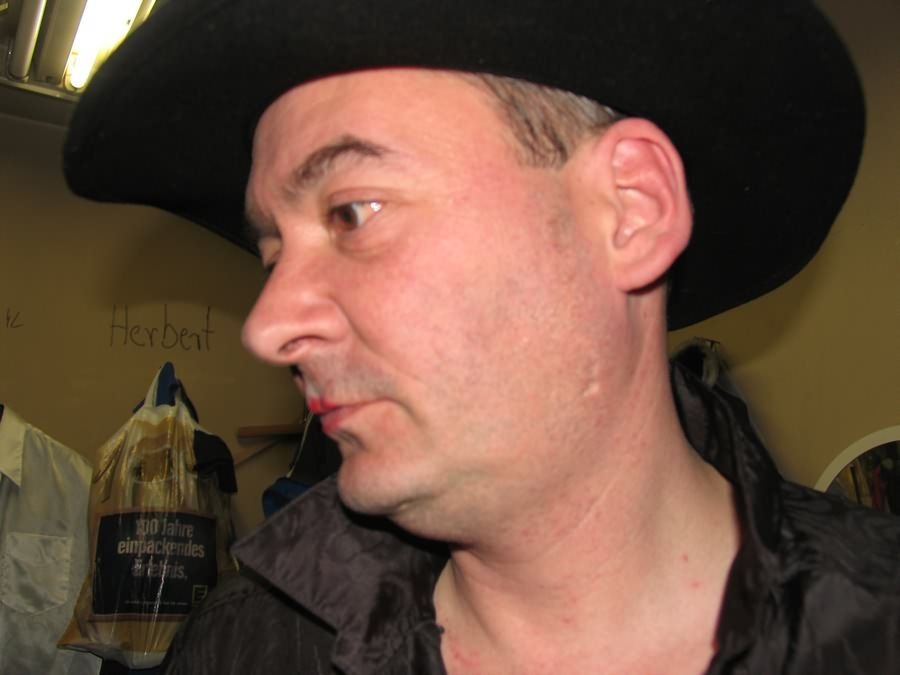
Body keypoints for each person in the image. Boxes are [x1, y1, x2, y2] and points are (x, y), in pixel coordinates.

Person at [63, 1, 900, 673]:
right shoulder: (247, 648)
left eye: (352, 212)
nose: (267, 324)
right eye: (273, 255)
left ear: (630, 210)